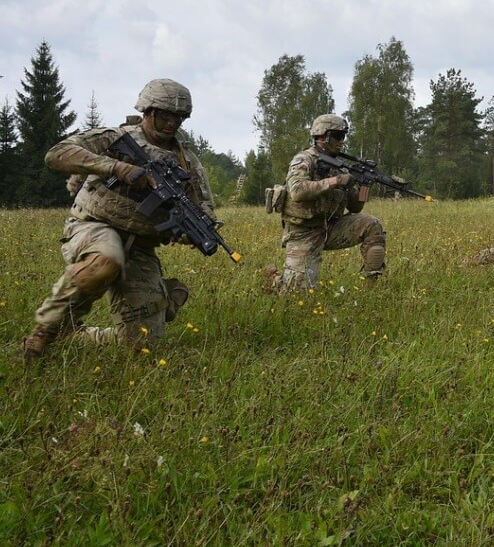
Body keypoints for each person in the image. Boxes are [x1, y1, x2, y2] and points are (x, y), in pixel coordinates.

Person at [21, 78, 216, 361]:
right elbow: (57, 154)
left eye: (179, 118)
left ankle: (76, 335)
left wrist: (191, 230)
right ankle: (45, 331)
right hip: (93, 226)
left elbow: (204, 207)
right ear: (147, 111)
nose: (172, 123)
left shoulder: (187, 162)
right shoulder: (115, 138)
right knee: (107, 259)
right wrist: (116, 168)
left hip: (140, 247)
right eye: (165, 115)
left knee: (143, 344)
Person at [264, 114, 386, 293]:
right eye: (338, 136)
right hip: (303, 232)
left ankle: (370, 288)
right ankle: (274, 279)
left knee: (372, 225)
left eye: (343, 136)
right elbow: (297, 191)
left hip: (330, 227)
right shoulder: (304, 160)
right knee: (297, 295)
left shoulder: (340, 167)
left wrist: (364, 186)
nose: (341, 141)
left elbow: (355, 208)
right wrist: (335, 181)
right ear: (323, 135)